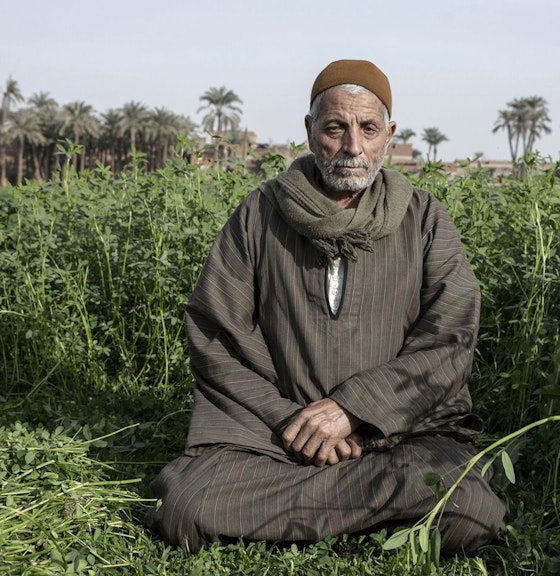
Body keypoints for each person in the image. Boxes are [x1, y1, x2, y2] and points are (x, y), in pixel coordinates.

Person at [146, 59, 506, 555]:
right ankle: (369, 515)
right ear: (310, 130)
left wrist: (354, 411)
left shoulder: (424, 218)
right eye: (336, 128)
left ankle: (290, 515)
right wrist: (298, 423)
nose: (352, 146)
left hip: (396, 435)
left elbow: (450, 340)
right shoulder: (260, 213)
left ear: (389, 134)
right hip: (274, 437)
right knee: (187, 504)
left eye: (368, 128)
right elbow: (216, 337)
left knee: (471, 509)